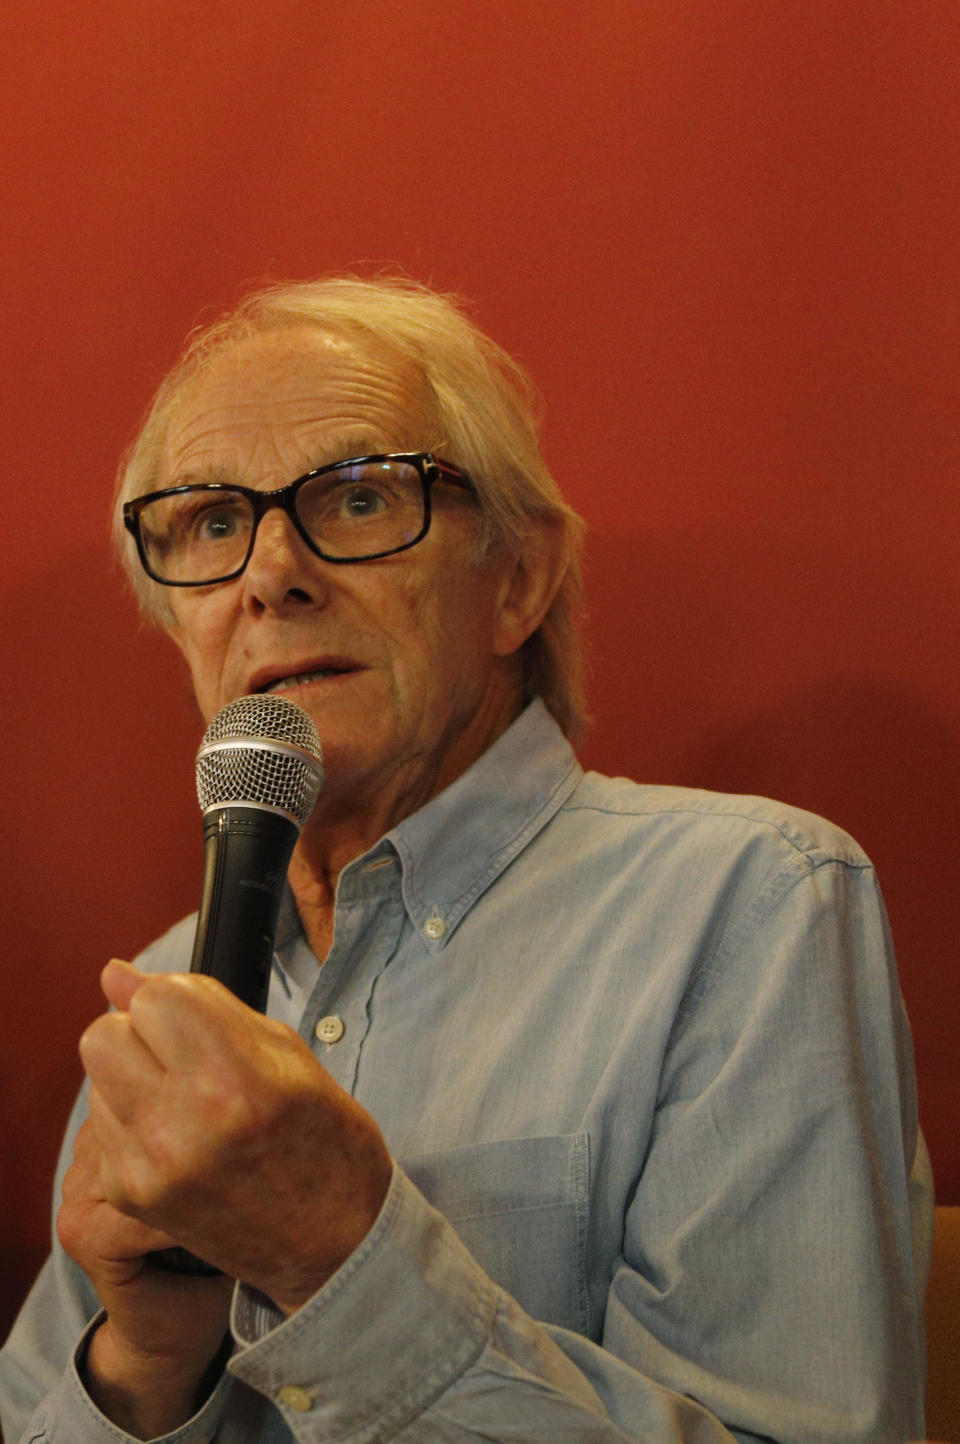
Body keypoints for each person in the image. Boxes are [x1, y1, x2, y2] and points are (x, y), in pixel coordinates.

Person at [0, 276, 933, 1444]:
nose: (269, 573)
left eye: (355, 496)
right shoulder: (152, 1012)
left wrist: (340, 1256)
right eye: (212, 521)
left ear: (519, 581)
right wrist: (141, 1362)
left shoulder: (750, 905)